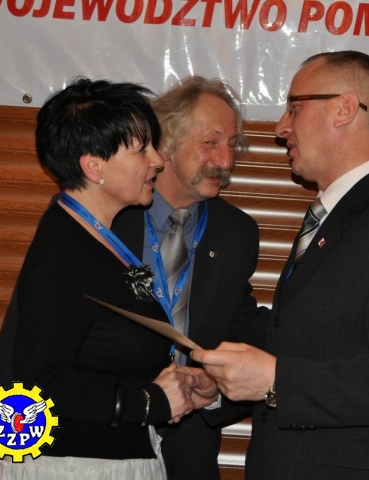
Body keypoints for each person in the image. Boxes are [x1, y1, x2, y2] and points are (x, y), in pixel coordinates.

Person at [192, 50, 369, 479]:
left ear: (344, 109)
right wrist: (228, 384)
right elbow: (308, 345)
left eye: (294, 108)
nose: (281, 127)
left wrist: (276, 379)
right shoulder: (332, 217)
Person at [0, 77, 218, 479]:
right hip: (77, 467)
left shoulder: (95, 239)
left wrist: (177, 384)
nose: (157, 160)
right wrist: (150, 402)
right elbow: (40, 383)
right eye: (142, 149)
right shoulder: (66, 250)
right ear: (93, 166)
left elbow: (101, 357)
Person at [112, 76, 268, 479]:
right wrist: (7, 435)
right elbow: (38, 324)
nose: (226, 162)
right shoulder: (107, 217)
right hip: (102, 437)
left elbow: (235, 331)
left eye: (231, 145)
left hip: (188, 451)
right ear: (165, 142)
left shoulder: (236, 233)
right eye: (211, 143)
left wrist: (214, 392)